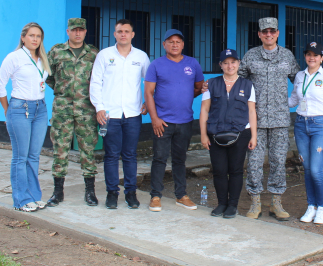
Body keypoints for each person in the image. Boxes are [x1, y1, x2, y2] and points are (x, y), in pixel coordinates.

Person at [238, 17, 301, 220]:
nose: (268, 34)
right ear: (259, 34)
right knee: (254, 162)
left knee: (278, 161)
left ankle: (276, 203)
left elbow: (300, 80)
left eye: (272, 31)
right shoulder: (250, 56)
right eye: (264, 31)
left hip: (280, 120)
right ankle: (255, 202)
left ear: (277, 33)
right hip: (255, 120)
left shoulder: (287, 56)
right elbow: (238, 81)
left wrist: (292, 102)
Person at [89, 19, 149, 210]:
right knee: (111, 155)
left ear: (132, 34)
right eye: (119, 31)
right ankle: (112, 193)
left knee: (130, 154)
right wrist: (99, 107)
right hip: (109, 115)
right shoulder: (104, 55)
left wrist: (148, 102)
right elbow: (95, 82)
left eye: (127, 31)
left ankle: (130, 193)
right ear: (114, 34)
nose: (123, 34)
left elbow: (150, 82)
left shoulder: (141, 56)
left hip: (132, 114)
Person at [0, 22, 52, 212]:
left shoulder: (42, 58)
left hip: (40, 109)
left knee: (34, 156)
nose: (35, 39)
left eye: (38, 36)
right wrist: (7, 109)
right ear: (23, 37)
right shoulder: (14, 57)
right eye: (31, 36)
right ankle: (21, 200)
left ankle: (34, 197)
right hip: (20, 108)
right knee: (20, 157)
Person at [145, 29, 205, 212]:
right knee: (160, 158)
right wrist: (154, 118)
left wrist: (184, 97)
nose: (174, 44)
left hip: (185, 121)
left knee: (180, 160)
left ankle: (181, 195)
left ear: (183, 44)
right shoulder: (156, 65)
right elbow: (148, 92)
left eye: (178, 41)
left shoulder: (192, 64)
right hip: (162, 122)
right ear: (164, 45)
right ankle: (155, 196)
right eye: (170, 41)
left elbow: (199, 87)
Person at [45, 18, 100, 207]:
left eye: (81, 30)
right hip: (62, 108)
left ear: (85, 32)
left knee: (88, 149)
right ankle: (57, 191)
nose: (78, 33)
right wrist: (63, 91)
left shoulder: (93, 53)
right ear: (67, 32)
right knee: (60, 149)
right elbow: (48, 76)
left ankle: (90, 192)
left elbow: (100, 79)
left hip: (86, 109)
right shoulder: (56, 51)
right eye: (74, 30)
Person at [199, 49, 258, 218]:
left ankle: (232, 205)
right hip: (215, 133)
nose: (230, 66)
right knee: (219, 170)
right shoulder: (211, 83)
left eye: (233, 62)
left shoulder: (247, 85)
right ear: (220, 65)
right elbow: (204, 110)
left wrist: (253, 136)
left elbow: (252, 111)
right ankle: (221, 203)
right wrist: (203, 135)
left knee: (236, 170)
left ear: (238, 63)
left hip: (240, 133)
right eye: (226, 62)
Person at [288, 42, 323, 225]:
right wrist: (277, 100)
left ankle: (322, 208)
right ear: (305, 57)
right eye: (309, 54)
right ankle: (311, 206)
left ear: (322, 58)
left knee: (317, 170)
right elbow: (294, 99)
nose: (312, 58)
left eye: (316, 55)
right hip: (301, 125)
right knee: (308, 169)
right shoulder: (300, 76)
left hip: (321, 125)